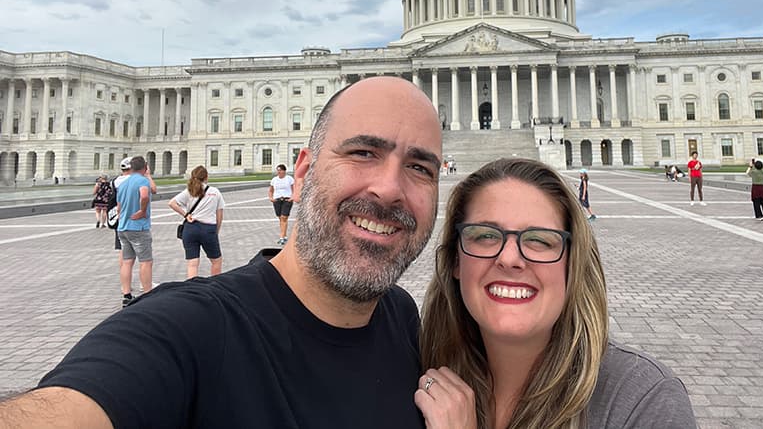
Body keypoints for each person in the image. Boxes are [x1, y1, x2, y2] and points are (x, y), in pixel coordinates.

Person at [0, 76, 442, 428]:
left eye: (421, 167)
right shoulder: (188, 332)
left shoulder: (399, 315)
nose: (388, 189)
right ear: (303, 172)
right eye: (363, 152)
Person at [417, 158, 696, 428]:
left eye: (539, 240)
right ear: (456, 260)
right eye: (486, 235)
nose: (509, 258)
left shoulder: (644, 402)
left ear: (572, 264)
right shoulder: (414, 373)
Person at [168, 165, 225, 278]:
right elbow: (219, 215)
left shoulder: (189, 191)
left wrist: (186, 215)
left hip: (190, 228)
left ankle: (192, 288)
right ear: (206, 177)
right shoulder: (215, 192)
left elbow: (172, 203)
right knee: (216, 261)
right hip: (208, 228)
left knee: (192, 264)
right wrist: (216, 230)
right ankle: (215, 286)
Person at [116, 155, 156, 307]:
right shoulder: (142, 180)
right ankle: (147, 294)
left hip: (123, 227)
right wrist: (142, 211)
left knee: (127, 261)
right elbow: (145, 194)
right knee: (146, 262)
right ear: (145, 167)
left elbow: (119, 207)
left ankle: (126, 295)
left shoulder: (123, 184)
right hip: (138, 227)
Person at [268, 163, 294, 245]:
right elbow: (271, 190)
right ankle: (285, 235)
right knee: (281, 218)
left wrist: (292, 198)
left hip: (287, 200)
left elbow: (294, 189)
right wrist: (271, 198)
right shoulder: (274, 180)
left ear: (284, 171)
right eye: (278, 171)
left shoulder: (289, 179)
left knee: (284, 217)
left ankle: (282, 237)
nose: (279, 172)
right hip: (277, 200)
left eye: (280, 171)